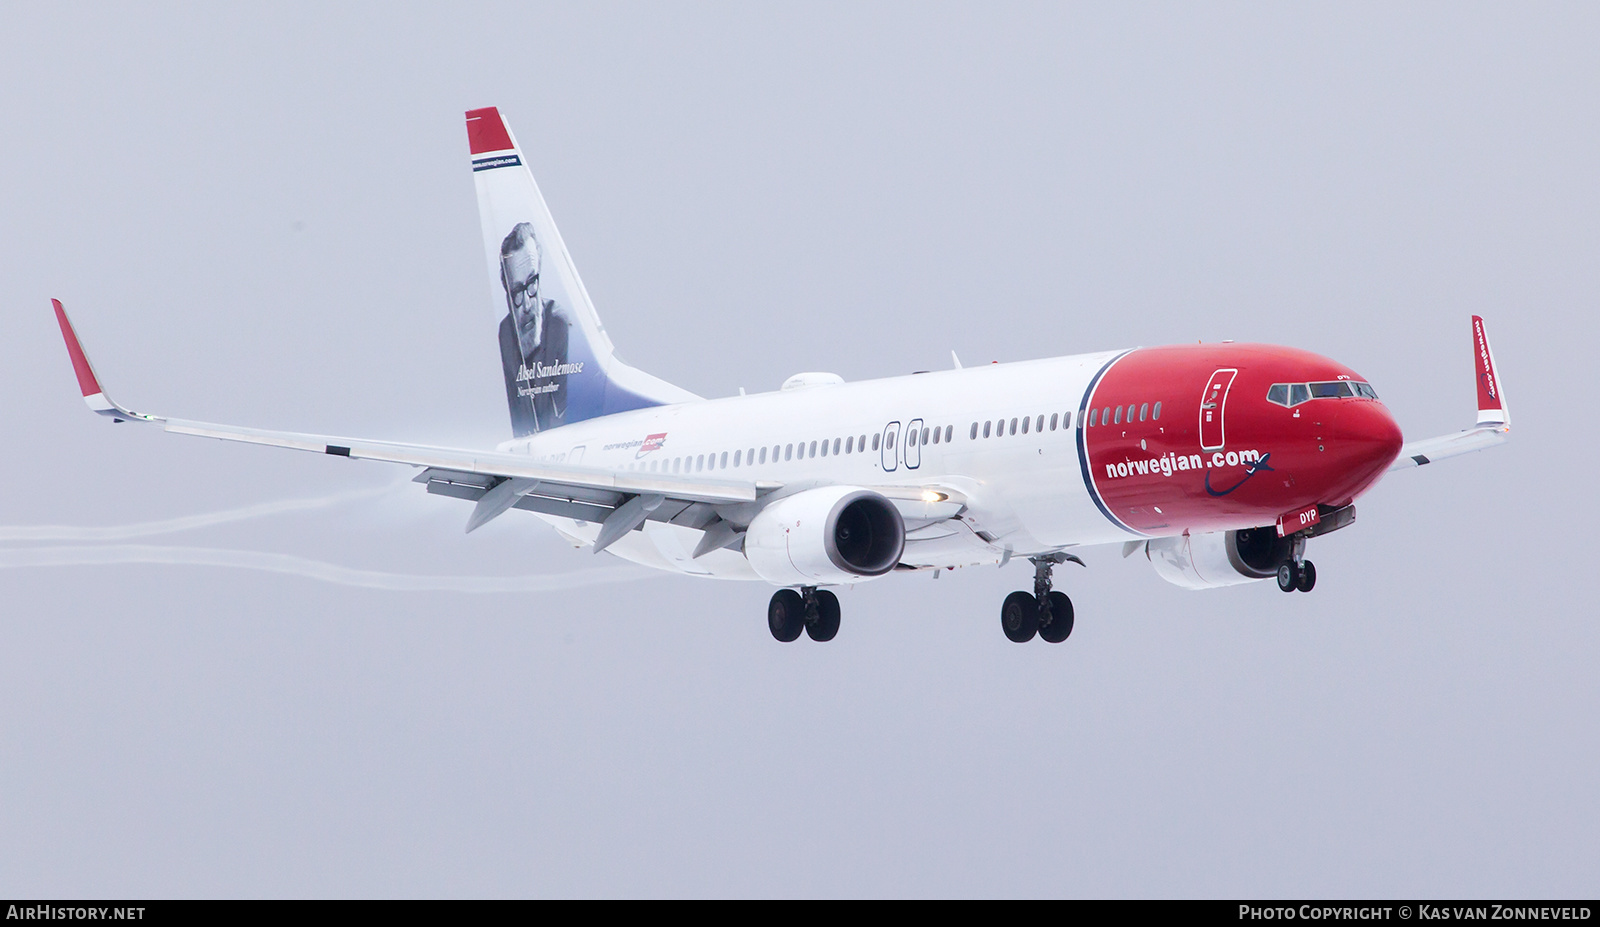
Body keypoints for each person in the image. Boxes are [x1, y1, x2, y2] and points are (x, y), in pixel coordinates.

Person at [496, 222, 570, 434]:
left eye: (532, 284)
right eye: (517, 292)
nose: (527, 304)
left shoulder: (557, 323)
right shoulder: (507, 334)